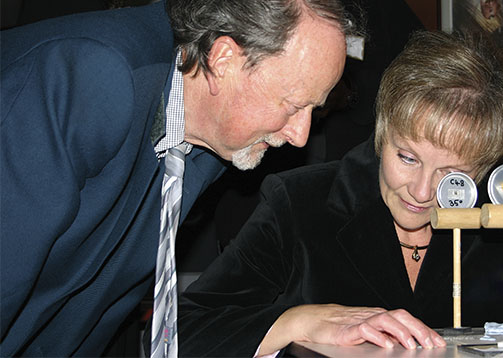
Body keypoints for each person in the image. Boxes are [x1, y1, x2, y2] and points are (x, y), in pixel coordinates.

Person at [175, 29, 503, 357]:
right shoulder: (300, 203)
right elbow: (185, 329)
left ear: (485, 168)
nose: (421, 191)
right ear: (383, 133)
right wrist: (302, 321)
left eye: (453, 174)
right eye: (407, 158)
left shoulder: (499, 221)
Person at [0, 0, 358, 355]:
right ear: (224, 61)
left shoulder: (213, 137)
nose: (301, 135)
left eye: (315, 108)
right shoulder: (90, 77)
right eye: (294, 105)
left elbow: (92, 302)